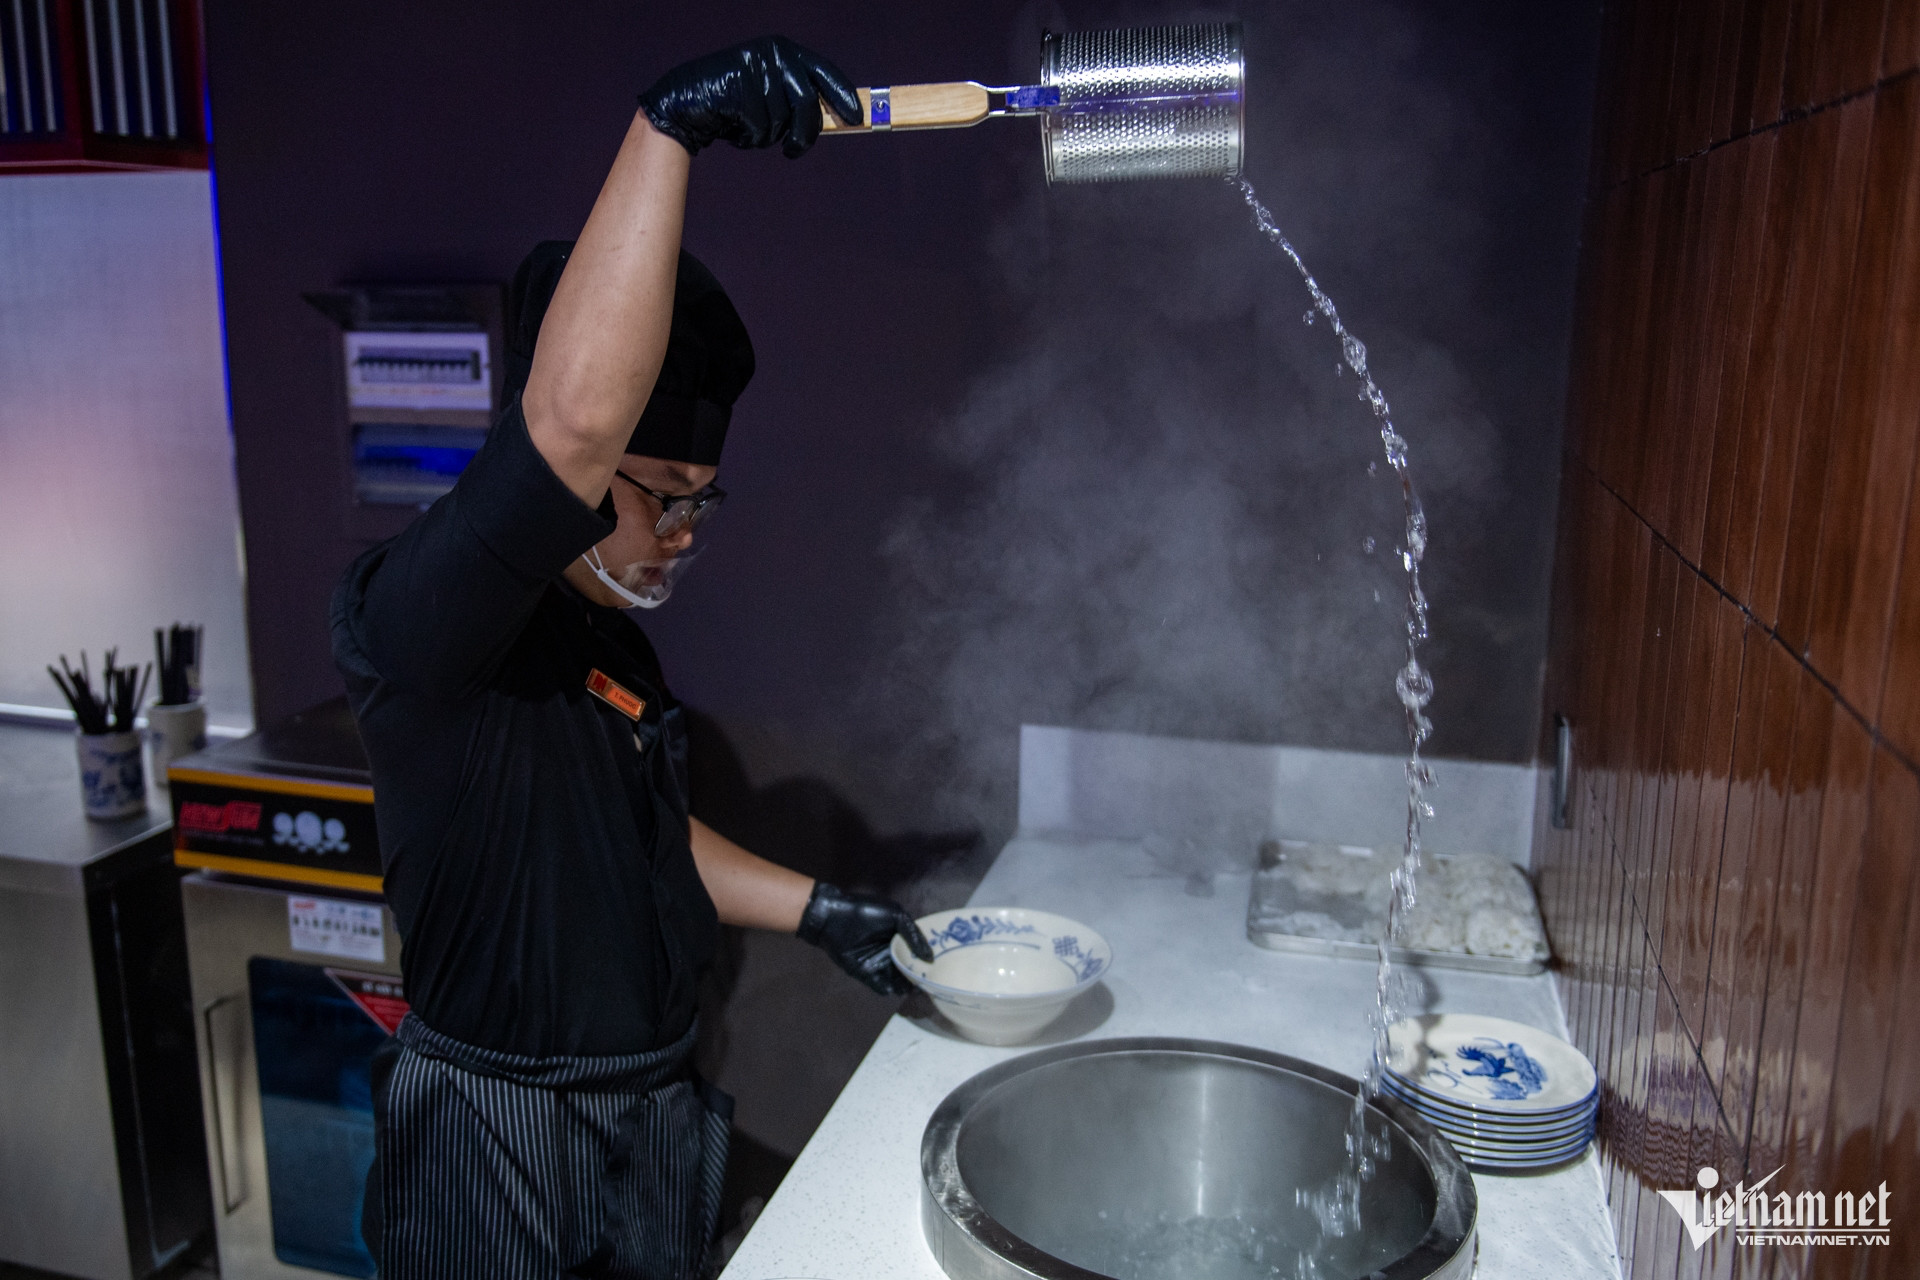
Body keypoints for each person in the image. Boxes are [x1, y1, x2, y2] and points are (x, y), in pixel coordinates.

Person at [329, 36, 932, 1280]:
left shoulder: (610, 649)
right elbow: (573, 422)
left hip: (640, 1119)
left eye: (707, 498)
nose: (686, 531)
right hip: (497, 1143)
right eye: (661, 493)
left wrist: (822, 910)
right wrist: (669, 129)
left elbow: (639, 835)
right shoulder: (421, 619)